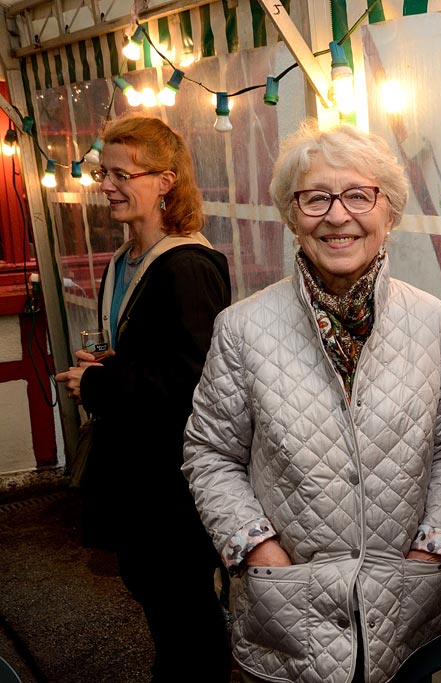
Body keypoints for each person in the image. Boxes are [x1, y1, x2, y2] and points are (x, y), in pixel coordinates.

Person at [181, 120, 441, 683]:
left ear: (388, 212)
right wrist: (256, 550)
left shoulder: (431, 320)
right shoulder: (243, 327)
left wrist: (433, 551)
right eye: (316, 198)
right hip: (290, 609)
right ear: (293, 217)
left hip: (408, 605)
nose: (338, 216)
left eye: (359, 196)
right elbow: (209, 453)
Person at [55, 115, 232, 682]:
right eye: (102, 173)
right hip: (138, 471)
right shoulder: (123, 261)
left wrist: (101, 384)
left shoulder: (187, 267)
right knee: (160, 605)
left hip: (173, 482)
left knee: (185, 614)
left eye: (120, 174)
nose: (105, 185)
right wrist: (111, 366)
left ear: (165, 181)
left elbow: (195, 382)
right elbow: (154, 357)